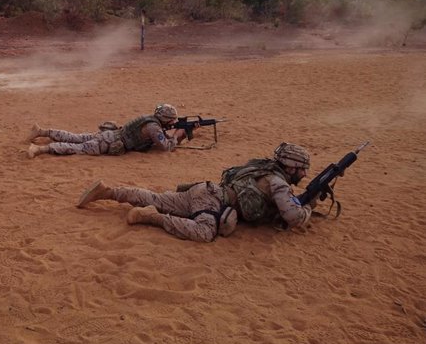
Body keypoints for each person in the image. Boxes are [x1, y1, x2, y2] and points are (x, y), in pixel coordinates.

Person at [76, 142, 316, 242]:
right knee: (204, 233)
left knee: (156, 197)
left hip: (204, 189)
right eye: (302, 170)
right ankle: (149, 217)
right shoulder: (278, 183)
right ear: (291, 167)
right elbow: (293, 217)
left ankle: (107, 191)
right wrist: (307, 207)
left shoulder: (262, 167)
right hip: (212, 201)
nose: (303, 175)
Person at [26, 104, 187, 158]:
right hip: (108, 143)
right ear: (165, 119)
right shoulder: (154, 127)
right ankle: (39, 149)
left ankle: (42, 131)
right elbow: (165, 146)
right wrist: (177, 136)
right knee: (76, 147)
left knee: (76, 137)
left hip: (108, 135)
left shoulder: (150, 119)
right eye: (171, 120)